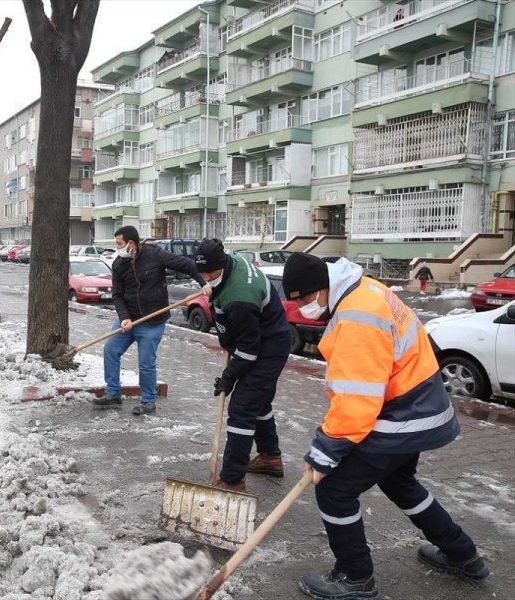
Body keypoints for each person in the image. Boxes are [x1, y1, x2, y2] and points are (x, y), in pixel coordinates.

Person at [282, 253, 488, 600]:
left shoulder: (355, 317)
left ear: (322, 288)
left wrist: (325, 450)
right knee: (400, 482)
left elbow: (358, 400)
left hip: (400, 415)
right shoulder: (363, 288)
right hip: (418, 404)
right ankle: (463, 555)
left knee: (335, 491)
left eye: (303, 298)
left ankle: (355, 577)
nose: (302, 307)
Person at [195, 239, 292, 492]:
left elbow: (249, 350)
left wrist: (229, 377)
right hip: (258, 339)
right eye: (203, 273)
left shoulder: (241, 296)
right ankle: (270, 457)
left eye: (211, 274)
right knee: (258, 401)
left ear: (223, 265)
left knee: (242, 407)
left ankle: (232, 480)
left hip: (267, 348)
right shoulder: (230, 265)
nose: (207, 277)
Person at [94, 225, 211, 415]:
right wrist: (124, 318)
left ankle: (148, 401)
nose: (117, 248)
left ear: (131, 243)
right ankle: (113, 393)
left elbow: (187, 265)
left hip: (152, 321)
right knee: (110, 350)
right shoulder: (118, 265)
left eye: (119, 244)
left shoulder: (155, 255)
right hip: (129, 321)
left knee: (146, 361)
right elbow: (117, 295)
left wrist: (202, 283)